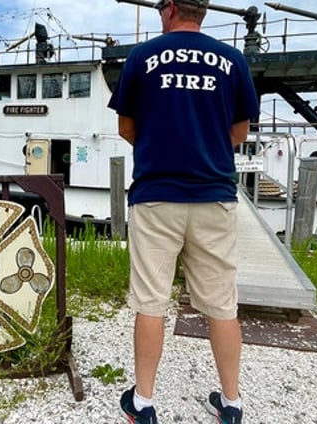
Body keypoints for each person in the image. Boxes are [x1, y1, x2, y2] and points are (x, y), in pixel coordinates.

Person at [107, 0, 259, 423]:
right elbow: (240, 130)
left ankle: (144, 402)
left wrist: (163, 147)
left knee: (152, 301)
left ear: (171, 8)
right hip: (214, 196)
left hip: (157, 195)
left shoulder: (142, 56)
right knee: (222, 305)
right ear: (202, 11)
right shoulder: (232, 59)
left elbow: (125, 126)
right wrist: (204, 150)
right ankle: (231, 403)